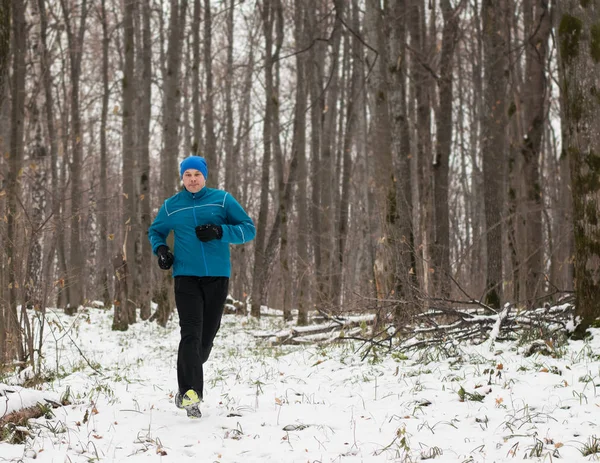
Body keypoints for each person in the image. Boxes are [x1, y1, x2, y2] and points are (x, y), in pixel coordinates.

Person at [147, 155, 255, 418]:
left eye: (197, 174)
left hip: (217, 276)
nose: (192, 179)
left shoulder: (222, 200)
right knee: (190, 332)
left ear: (205, 176)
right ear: (181, 178)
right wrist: (162, 250)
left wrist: (220, 232)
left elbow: (248, 229)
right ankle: (189, 393)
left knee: (205, 339)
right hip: (185, 277)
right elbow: (155, 231)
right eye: (187, 175)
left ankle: (190, 369)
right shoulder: (171, 206)